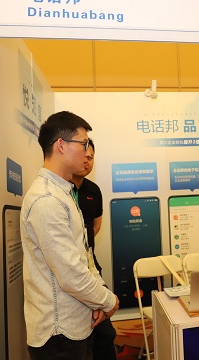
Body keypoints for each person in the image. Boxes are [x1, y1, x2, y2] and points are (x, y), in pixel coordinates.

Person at [21, 111, 119, 360]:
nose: (88, 152)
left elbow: (84, 255)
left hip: (75, 324)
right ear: (61, 145)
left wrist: (96, 301)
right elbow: (71, 274)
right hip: (58, 334)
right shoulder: (46, 199)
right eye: (83, 144)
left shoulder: (63, 193)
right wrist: (107, 301)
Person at [70, 139, 117, 360]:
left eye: (91, 157)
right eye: (84, 155)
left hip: (91, 266)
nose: (88, 160)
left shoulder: (93, 190)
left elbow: (96, 226)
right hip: (70, 270)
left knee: (104, 333)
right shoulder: (60, 192)